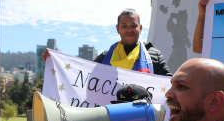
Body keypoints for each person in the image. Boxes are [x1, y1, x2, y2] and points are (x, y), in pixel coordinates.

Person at [43, 8, 172, 76]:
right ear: (118, 29)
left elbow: (167, 84)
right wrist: (54, 60)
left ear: (141, 28)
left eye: (133, 25)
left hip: (145, 118)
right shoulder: (105, 57)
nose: (129, 30)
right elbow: (81, 73)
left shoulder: (153, 55)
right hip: (113, 116)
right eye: (124, 26)